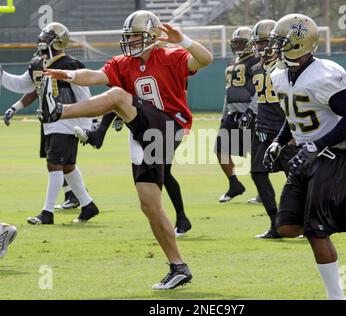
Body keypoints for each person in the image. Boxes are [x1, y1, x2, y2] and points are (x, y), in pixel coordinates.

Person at [39, 10, 213, 289]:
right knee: (150, 205)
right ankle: (178, 267)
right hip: (144, 134)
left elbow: (206, 60)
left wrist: (185, 41)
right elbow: (94, 76)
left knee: (118, 96)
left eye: (135, 35)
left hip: (170, 126)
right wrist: (69, 74)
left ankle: (58, 112)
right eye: (128, 36)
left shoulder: (170, 54)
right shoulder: (123, 63)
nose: (130, 40)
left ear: (152, 36)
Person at [264, 14, 346, 299]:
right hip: (306, 154)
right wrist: (278, 142)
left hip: (335, 153)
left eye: (280, 41)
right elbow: (295, 116)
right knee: (287, 226)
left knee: (316, 229)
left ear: (298, 43)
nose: (275, 47)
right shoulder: (280, 75)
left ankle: (337, 297)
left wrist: (317, 146)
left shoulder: (324, 74)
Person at [2, 22, 99, 225]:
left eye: (47, 36)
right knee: (68, 166)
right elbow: (22, 85)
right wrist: (2, 75)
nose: (42, 39)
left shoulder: (70, 64)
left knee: (54, 163)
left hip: (67, 119)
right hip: (49, 121)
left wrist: (90, 123)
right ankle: (88, 205)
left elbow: (84, 95)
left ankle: (47, 212)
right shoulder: (38, 62)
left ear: (58, 40)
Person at [73, 112, 192, 237]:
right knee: (163, 174)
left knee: (156, 172)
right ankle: (180, 219)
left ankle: (171, 222)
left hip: (164, 124)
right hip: (153, 124)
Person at [250, 19, 298, 239]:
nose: (260, 47)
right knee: (258, 173)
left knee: (295, 176)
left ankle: (303, 223)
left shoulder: (287, 67)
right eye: (258, 43)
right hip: (263, 128)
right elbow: (259, 99)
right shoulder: (255, 68)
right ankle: (275, 222)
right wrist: (253, 117)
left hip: (286, 129)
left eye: (264, 42)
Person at [3, 89, 80, 211]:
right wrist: (14, 108)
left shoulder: (63, 70)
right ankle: (76, 196)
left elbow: (79, 88)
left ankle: (71, 199)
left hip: (62, 118)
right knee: (58, 161)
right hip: (48, 119)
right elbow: (35, 89)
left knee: (58, 162)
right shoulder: (40, 71)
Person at [215, 27, 260, 203]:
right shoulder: (232, 62)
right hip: (232, 113)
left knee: (256, 155)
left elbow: (260, 89)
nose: (238, 46)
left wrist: (251, 111)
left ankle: (263, 192)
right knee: (220, 149)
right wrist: (224, 114)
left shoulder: (256, 62)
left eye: (242, 42)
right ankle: (234, 184)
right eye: (236, 43)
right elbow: (229, 91)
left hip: (250, 114)